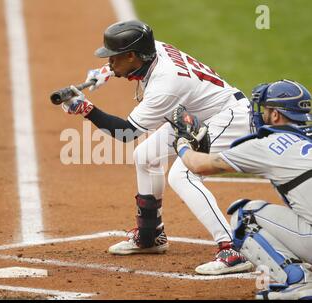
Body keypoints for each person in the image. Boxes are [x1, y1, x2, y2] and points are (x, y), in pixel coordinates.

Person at [61, 20, 253, 275]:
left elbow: (126, 132)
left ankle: (233, 248)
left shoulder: (165, 84)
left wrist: (86, 109)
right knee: (146, 155)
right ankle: (150, 235)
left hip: (229, 118)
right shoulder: (152, 49)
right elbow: (129, 70)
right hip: (193, 116)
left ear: (131, 55)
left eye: (113, 58)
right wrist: (105, 73)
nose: (111, 62)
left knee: (182, 174)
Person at [170, 79, 312, 299]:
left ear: (276, 115)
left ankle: (300, 283)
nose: (260, 114)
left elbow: (198, 165)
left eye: (265, 109)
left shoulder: (267, 145)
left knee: (246, 216)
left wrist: (182, 144)